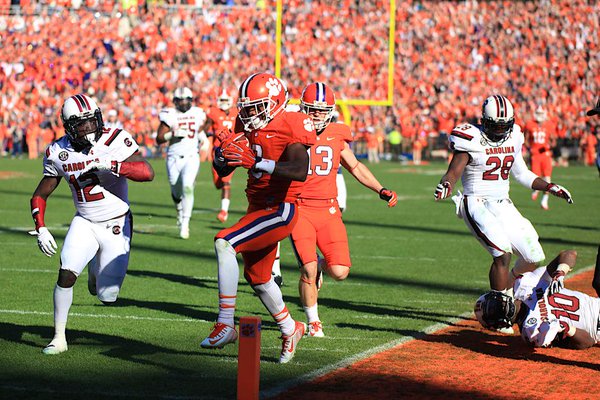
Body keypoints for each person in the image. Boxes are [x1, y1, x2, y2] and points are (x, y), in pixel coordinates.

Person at [200, 72, 316, 364]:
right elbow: (225, 169)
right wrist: (222, 156)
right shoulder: (247, 122)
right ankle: (291, 328)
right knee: (259, 278)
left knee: (224, 242)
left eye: (256, 106)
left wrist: (258, 162)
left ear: (275, 103)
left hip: (281, 206)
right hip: (257, 207)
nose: (249, 114)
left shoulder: (292, 123)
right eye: (247, 107)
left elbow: (299, 169)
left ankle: (226, 323)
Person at [29, 93, 154, 355]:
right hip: (84, 221)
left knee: (107, 296)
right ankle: (58, 337)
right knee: (66, 272)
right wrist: (41, 227)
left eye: (91, 121)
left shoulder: (115, 139)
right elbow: (40, 194)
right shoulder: (58, 152)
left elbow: (147, 172)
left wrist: (112, 164)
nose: (88, 127)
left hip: (116, 222)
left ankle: (96, 270)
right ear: (69, 126)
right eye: (81, 123)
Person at [434, 95, 573, 294]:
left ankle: (508, 286)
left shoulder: (515, 136)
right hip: (475, 201)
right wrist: (446, 185)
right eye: (495, 126)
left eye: (504, 126)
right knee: (502, 254)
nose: (500, 130)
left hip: (503, 204)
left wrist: (549, 187)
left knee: (533, 256)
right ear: (484, 121)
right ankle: (499, 306)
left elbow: (522, 174)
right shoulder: (470, 138)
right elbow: (453, 172)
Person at [291, 82, 398, 337]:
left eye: (321, 110)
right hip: (299, 209)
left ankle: (319, 266)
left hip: (329, 209)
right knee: (307, 269)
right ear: (303, 108)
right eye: (312, 109)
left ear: (330, 110)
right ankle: (313, 320)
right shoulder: (291, 129)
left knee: (340, 271)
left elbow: (356, 167)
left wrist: (380, 189)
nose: (316, 114)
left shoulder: (337, 133)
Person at [475, 250, 598, 350]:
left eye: (495, 304)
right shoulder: (531, 332)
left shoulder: (525, 284)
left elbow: (569, 254)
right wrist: (566, 327)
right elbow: (587, 341)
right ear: (498, 324)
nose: (500, 308)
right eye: (493, 311)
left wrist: (560, 273)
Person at [156, 87, 210, 239]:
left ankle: (185, 224)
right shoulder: (170, 114)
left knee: (188, 187)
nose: (184, 103)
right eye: (181, 100)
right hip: (173, 157)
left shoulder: (197, 113)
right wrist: (172, 134)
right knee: (175, 188)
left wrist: (202, 137)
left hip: (192, 156)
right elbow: (159, 138)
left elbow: (205, 125)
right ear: (175, 102)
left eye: (187, 100)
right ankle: (179, 210)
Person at [207, 89, 238, 223]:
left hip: (230, 152)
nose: (224, 103)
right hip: (217, 151)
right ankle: (222, 185)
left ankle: (224, 211)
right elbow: (207, 128)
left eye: (226, 100)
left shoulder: (236, 113)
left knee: (226, 182)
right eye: (222, 100)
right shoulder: (214, 113)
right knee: (218, 184)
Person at [524, 107, 555, 210]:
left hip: (545, 155)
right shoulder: (530, 124)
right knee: (535, 177)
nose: (540, 115)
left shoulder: (549, 125)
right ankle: (535, 190)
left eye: (541, 113)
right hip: (535, 155)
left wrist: (549, 146)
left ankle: (544, 201)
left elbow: (553, 141)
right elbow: (527, 139)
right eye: (538, 113)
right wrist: (530, 148)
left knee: (547, 178)